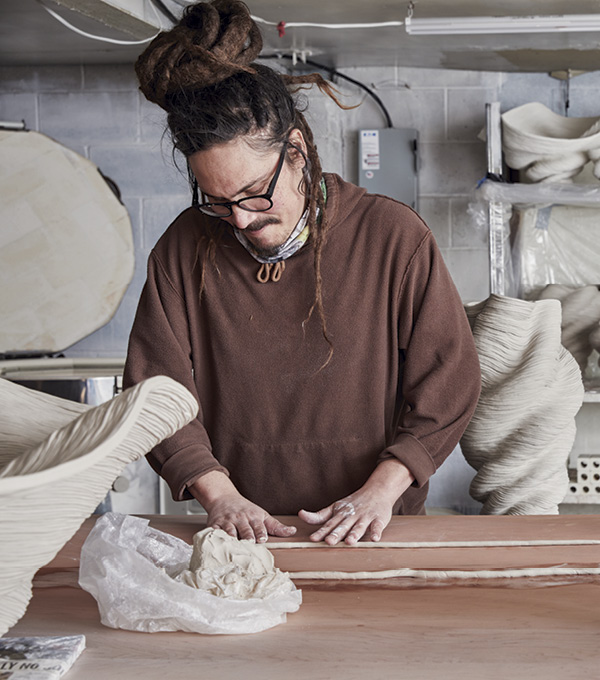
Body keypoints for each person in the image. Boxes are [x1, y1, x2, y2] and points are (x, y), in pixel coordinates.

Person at [124, 0, 481, 546]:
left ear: (295, 153)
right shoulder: (184, 246)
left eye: (252, 193)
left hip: (374, 530)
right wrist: (219, 496)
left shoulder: (393, 236)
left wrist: (383, 490)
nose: (240, 219)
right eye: (217, 200)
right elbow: (155, 390)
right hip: (243, 537)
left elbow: (448, 384)